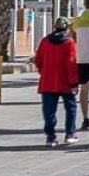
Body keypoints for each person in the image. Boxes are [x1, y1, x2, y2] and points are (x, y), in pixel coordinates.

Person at [35, 17, 79, 146]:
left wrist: (43, 72)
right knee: (70, 108)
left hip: (48, 81)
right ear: (67, 28)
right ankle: (70, 133)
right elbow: (72, 62)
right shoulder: (69, 42)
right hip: (66, 81)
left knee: (49, 111)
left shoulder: (45, 41)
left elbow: (39, 60)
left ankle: (50, 137)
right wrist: (74, 82)